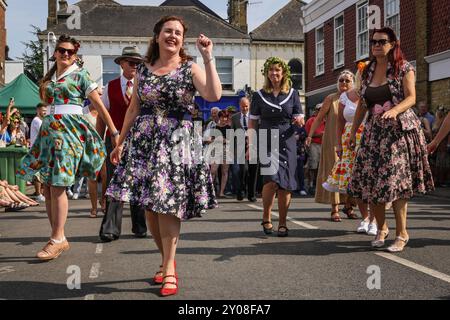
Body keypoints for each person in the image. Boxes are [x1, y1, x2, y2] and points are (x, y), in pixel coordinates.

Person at [106, 16, 222, 297]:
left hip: (176, 142)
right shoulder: (143, 71)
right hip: (144, 142)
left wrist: (209, 58)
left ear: (183, 40)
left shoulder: (189, 67)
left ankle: (169, 267)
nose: (173, 36)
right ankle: (165, 259)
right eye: (168, 31)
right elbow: (133, 109)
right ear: (157, 36)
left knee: (168, 204)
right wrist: (119, 143)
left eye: (178, 33)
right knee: (150, 207)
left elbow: (214, 94)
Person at [16, 34, 120, 261]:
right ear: (55, 53)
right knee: (48, 186)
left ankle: (57, 237)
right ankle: (57, 237)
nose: (65, 54)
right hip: (49, 133)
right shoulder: (50, 78)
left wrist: (114, 133)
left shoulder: (81, 75)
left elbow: (100, 107)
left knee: (59, 184)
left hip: (70, 132)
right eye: (61, 50)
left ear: (75, 56)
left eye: (70, 52)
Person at [348, 27, 434, 253]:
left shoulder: (403, 67)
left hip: (398, 132)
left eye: (382, 41)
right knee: (373, 183)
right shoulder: (366, 71)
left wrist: (395, 110)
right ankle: (382, 228)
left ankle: (402, 233)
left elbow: (412, 98)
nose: (377, 45)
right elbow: (363, 105)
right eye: (374, 42)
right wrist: (352, 132)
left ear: (393, 43)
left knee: (395, 184)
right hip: (374, 133)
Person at [248, 57, 305, 237]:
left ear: (283, 73)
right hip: (266, 140)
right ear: (267, 73)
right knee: (271, 180)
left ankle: (282, 222)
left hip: (287, 142)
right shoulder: (258, 95)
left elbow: (299, 118)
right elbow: (252, 123)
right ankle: (266, 216)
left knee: (285, 184)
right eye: (271, 70)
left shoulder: (293, 93)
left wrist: (299, 121)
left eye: (277, 70)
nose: (274, 73)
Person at [96, 46, 147, 239]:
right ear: (122, 64)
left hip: (140, 142)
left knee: (139, 184)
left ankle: (140, 226)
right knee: (114, 183)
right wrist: (98, 142)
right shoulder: (110, 87)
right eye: (131, 62)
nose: (135, 66)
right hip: (115, 141)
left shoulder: (145, 86)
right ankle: (110, 229)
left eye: (138, 63)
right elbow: (102, 116)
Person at [322, 70, 376, 234]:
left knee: (372, 181)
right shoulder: (345, 97)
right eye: (363, 74)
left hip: (371, 140)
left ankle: (375, 221)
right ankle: (365, 218)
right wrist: (338, 144)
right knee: (356, 181)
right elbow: (340, 121)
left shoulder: (375, 94)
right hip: (350, 141)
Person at [306, 70, 357, 222]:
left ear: (353, 82)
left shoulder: (355, 98)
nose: (344, 83)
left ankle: (349, 206)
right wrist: (309, 135)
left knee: (350, 173)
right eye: (341, 80)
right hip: (332, 141)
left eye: (347, 81)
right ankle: (334, 209)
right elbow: (318, 118)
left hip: (350, 141)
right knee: (333, 172)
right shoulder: (331, 98)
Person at [231, 97, 258, 202]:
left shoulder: (254, 117)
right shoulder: (234, 117)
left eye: (246, 106)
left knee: (253, 171)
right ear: (239, 106)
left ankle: (252, 194)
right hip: (240, 148)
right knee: (243, 170)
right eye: (243, 106)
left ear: (249, 105)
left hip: (254, 147)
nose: (244, 108)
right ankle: (241, 191)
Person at [210, 110, 232, 198]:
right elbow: (210, 140)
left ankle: (221, 192)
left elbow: (232, 141)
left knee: (224, 172)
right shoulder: (215, 128)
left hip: (226, 150)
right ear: (219, 118)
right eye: (222, 117)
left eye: (226, 117)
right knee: (213, 171)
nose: (224, 119)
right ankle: (210, 191)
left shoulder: (229, 128)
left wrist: (224, 140)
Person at [29, 103, 48, 202]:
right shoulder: (37, 121)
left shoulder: (41, 120)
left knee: (41, 173)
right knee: (37, 173)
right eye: (42, 110)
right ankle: (38, 194)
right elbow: (46, 132)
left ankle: (40, 192)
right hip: (36, 151)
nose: (44, 112)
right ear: (37, 110)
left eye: (45, 110)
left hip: (41, 150)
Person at [304, 104, 324, 195]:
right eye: (320, 109)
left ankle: (320, 184)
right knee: (313, 165)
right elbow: (308, 135)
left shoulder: (327, 120)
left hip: (325, 144)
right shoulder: (311, 121)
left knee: (322, 165)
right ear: (316, 111)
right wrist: (320, 134)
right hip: (314, 144)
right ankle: (312, 184)